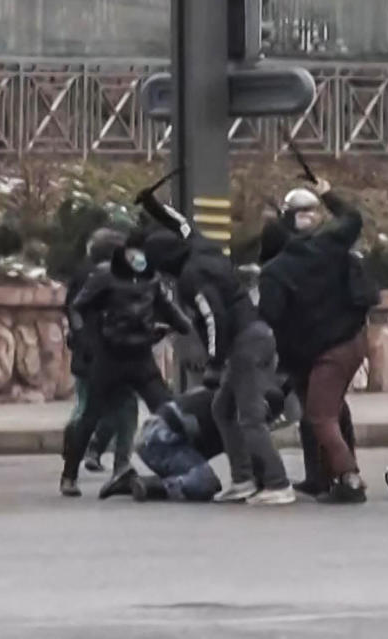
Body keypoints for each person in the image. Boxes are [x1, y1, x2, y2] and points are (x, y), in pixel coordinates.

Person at [140, 189, 295, 506]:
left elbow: (215, 319)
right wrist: (154, 206)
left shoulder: (192, 277)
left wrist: (213, 363)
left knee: (249, 417)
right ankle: (242, 480)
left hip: (244, 343)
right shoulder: (200, 247)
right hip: (253, 336)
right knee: (222, 409)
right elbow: (182, 223)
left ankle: (278, 483)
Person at [258, 178, 376, 503]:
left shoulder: (275, 272)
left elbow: (269, 316)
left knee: (320, 416)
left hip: (318, 351)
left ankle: (348, 479)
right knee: (328, 408)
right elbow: (353, 218)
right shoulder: (330, 246)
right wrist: (328, 193)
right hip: (348, 340)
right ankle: (323, 476)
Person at [60, 232, 191, 498]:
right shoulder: (103, 275)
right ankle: (69, 475)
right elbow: (77, 307)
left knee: (168, 410)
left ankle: (179, 468)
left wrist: (184, 324)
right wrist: (84, 339)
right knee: (91, 415)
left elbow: (166, 306)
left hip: (141, 356)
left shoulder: (151, 278)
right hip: (109, 356)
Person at [63, 228, 139, 476]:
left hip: (89, 351)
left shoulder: (82, 274)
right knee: (120, 407)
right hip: (109, 352)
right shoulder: (113, 277)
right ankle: (115, 461)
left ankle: (81, 449)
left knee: (90, 406)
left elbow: (72, 310)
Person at [129, 386, 286, 503]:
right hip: (160, 438)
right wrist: (272, 482)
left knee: (196, 475)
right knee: (205, 483)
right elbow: (253, 456)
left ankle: (128, 481)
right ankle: (151, 486)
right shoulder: (237, 413)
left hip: (155, 435)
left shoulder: (230, 399)